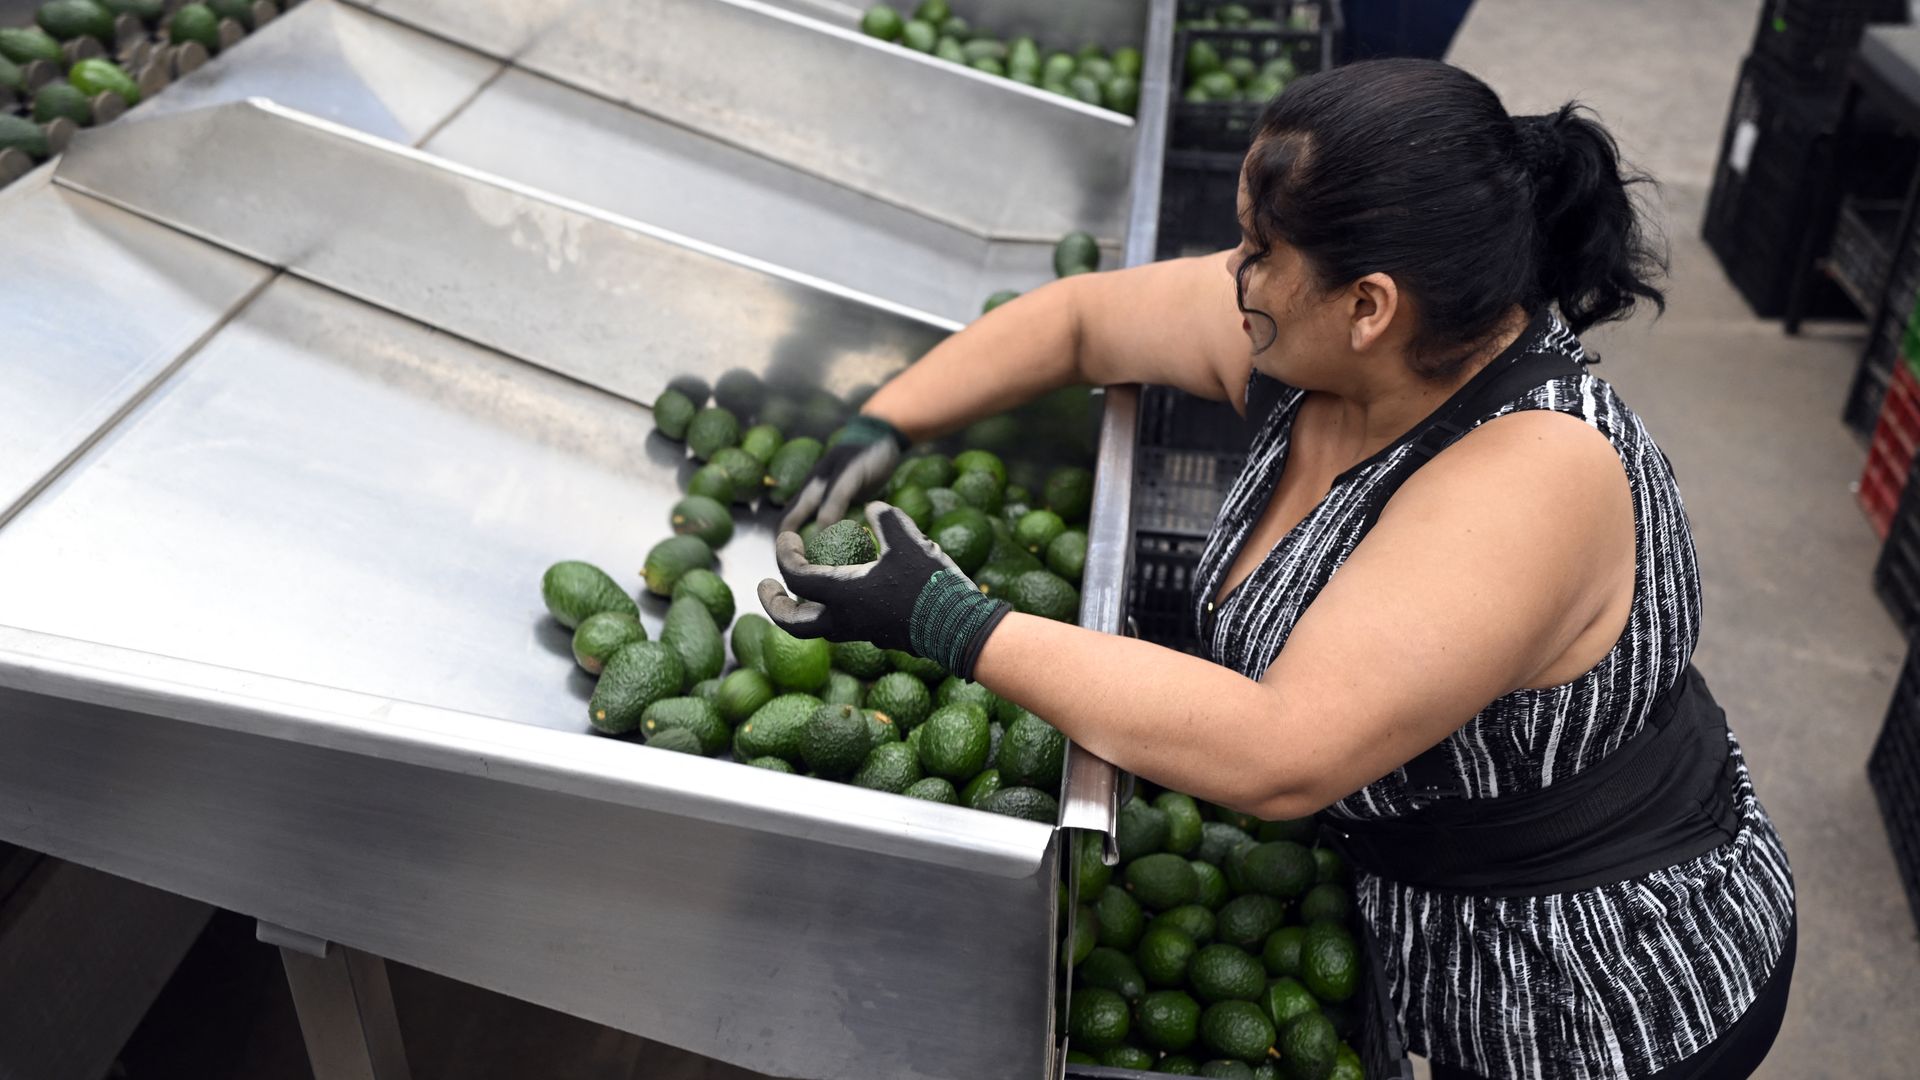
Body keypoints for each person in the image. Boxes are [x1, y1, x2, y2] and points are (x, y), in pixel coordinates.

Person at [760, 59, 1795, 1080]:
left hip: (1603, 995)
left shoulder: (1527, 479)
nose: (1232, 273)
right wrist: (885, 420)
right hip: (1414, 889)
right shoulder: (1327, 347)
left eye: (1259, 249)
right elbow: (1082, 322)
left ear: (1370, 305)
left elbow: (1279, 753)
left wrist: (945, 619)